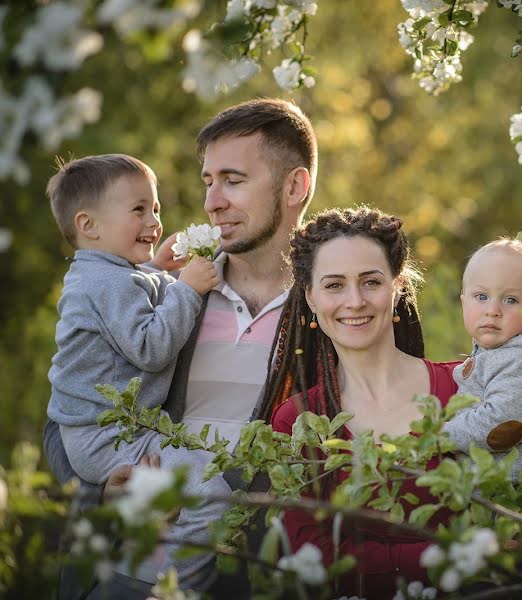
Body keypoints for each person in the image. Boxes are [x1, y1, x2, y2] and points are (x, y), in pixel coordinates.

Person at [42, 97, 318, 598]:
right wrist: (103, 489)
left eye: (233, 180)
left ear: (294, 186)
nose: (212, 201)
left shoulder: (330, 310)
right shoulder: (174, 292)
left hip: (243, 578)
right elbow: (65, 416)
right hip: (116, 571)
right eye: (208, 181)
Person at [45, 152, 230, 588]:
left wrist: (157, 270)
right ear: (89, 226)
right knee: (211, 493)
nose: (154, 220)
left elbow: (128, 304)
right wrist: (186, 290)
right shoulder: (106, 282)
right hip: (104, 434)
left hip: (102, 428)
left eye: (156, 208)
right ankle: (166, 588)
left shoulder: (102, 272)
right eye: (139, 209)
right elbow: (149, 346)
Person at [266, 207, 461, 599]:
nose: (354, 301)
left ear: (398, 286)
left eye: (371, 282)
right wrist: (449, 555)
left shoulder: (463, 388)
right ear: (311, 297)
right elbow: (316, 559)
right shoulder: (298, 420)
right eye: (334, 285)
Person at [442, 238, 522, 480]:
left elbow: (497, 426)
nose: (493, 310)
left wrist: (440, 435)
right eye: (481, 296)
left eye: (510, 300)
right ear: (463, 301)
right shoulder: (496, 351)